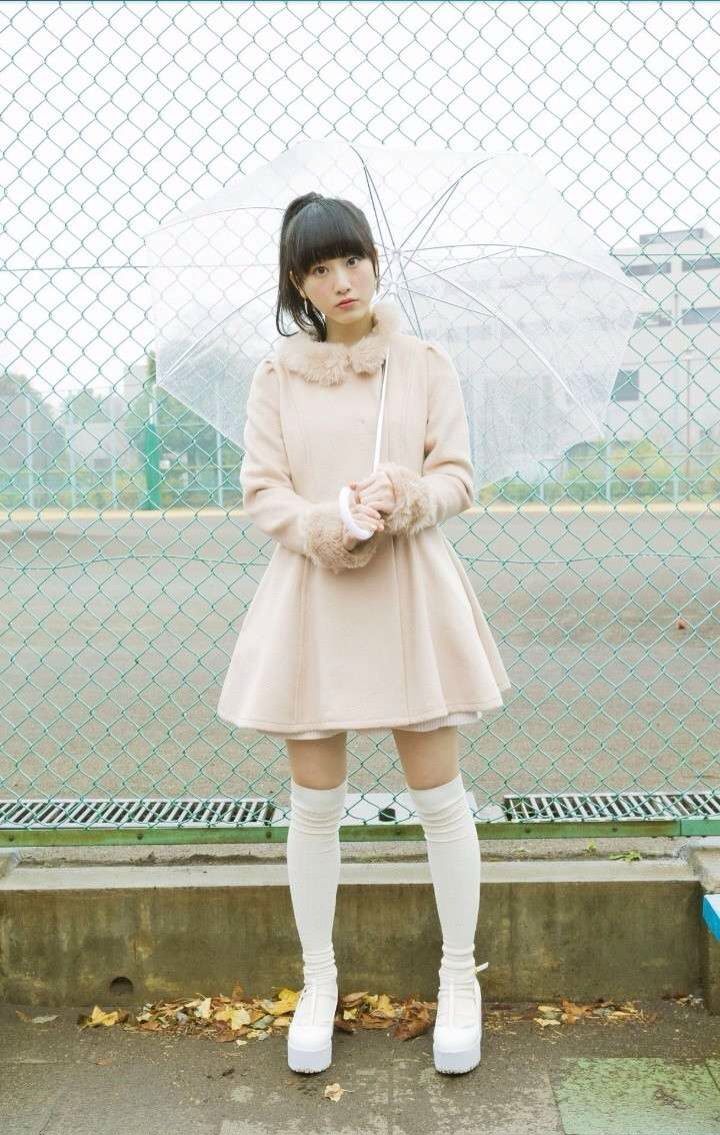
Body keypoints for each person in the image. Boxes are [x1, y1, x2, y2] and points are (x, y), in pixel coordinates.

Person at [216, 191, 512, 1076]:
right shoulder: (276, 376)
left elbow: (457, 476)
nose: (342, 280)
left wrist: (406, 495)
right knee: (314, 801)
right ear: (298, 284)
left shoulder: (423, 363)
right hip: (314, 595)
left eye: (352, 259)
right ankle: (319, 981)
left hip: (411, 593)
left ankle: (459, 977)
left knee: (440, 795)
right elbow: (262, 491)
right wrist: (328, 521)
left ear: (375, 261)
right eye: (320, 268)